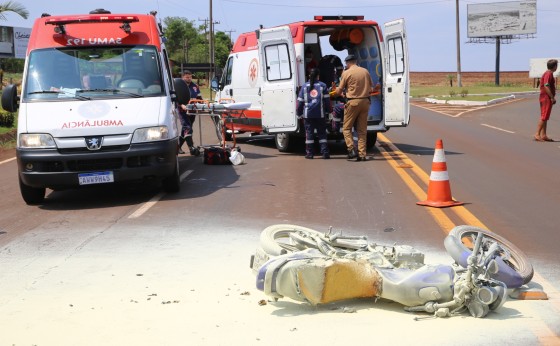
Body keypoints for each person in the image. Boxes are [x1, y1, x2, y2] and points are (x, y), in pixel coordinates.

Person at [332, 54, 374, 161]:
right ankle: (362, 154)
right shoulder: (365, 71)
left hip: (353, 103)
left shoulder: (346, 73)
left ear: (348, 63)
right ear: (355, 61)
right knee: (362, 130)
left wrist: (335, 91)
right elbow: (371, 88)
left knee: (346, 128)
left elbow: (339, 91)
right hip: (365, 102)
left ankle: (351, 150)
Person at [296, 68, 331, 159]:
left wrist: (298, 113)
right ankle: (325, 153)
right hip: (320, 114)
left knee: (309, 134)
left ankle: (310, 153)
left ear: (309, 76)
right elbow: (327, 101)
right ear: (318, 76)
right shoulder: (323, 86)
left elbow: (300, 102)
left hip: (308, 115)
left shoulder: (304, 86)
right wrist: (329, 111)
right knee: (322, 134)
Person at [178, 70, 203, 154]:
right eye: (187, 77)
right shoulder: (179, 86)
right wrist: (181, 105)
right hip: (183, 110)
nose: (189, 78)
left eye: (190, 77)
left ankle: (177, 147)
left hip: (192, 110)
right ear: (183, 77)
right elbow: (176, 98)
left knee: (186, 129)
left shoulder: (195, 86)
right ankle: (191, 148)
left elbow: (199, 97)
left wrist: (202, 105)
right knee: (187, 128)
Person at [534, 59, 557, 142]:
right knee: (544, 116)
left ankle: (543, 135)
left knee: (545, 116)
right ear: (554, 66)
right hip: (546, 97)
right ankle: (537, 134)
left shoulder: (548, 73)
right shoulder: (548, 74)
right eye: (556, 65)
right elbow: (546, 85)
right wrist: (551, 97)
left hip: (545, 97)